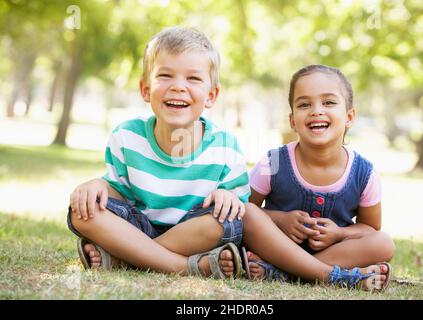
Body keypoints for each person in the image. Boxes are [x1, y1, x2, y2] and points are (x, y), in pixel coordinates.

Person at [67, 26, 250, 279]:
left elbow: (239, 206)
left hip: (192, 232)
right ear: (145, 90)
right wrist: (96, 185)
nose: (178, 87)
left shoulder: (225, 146)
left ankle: (128, 257)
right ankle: (185, 267)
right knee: (83, 211)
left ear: (211, 95)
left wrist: (226, 195)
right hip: (139, 227)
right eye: (165, 76)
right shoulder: (127, 137)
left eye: (193, 78)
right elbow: (118, 193)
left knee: (224, 222)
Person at [239, 64, 395, 290]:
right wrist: (280, 220)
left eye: (329, 102)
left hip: (335, 252)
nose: (316, 110)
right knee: (247, 214)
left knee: (384, 244)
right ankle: (335, 276)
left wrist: (339, 233)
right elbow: (244, 210)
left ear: (349, 116)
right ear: (293, 121)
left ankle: (284, 273)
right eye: (304, 104)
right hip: (276, 247)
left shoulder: (364, 173)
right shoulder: (272, 163)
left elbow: (369, 228)